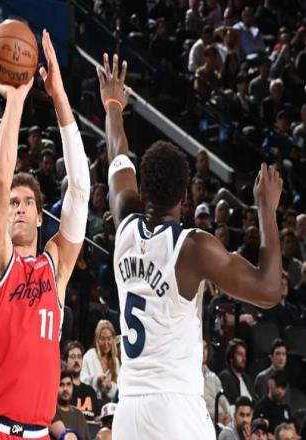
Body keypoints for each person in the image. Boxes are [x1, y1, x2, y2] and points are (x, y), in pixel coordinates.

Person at [96, 52, 283, 439]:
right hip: (175, 408)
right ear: (185, 196)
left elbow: (117, 154)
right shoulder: (192, 248)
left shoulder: (124, 223)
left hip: (129, 408)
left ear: (142, 189)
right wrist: (266, 211)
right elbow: (268, 290)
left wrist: (113, 105)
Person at [0, 30, 90, 439]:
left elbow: (80, 190)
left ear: (40, 218)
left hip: (39, 432)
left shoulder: (55, 268)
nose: (18, 207)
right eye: (12, 204)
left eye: (27, 203)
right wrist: (16, 100)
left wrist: (59, 96)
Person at [81, 320, 120, 400]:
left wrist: (110, 387)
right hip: (91, 402)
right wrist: (96, 381)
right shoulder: (89, 356)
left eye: (109, 339)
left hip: (110, 404)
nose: (106, 343)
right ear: (97, 339)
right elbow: (82, 380)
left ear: (113, 339)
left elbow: (119, 389)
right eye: (102, 339)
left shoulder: (115, 361)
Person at [49, 370, 91, 440]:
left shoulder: (79, 414)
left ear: (72, 387)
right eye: (61, 385)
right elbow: (66, 436)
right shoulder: (51, 411)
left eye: (68, 384)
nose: (65, 389)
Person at [64, 341, 98, 420]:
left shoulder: (90, 391)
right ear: (66, 361)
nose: (76, 360)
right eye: (72, 357)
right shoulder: (63, 390)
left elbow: (96, 419)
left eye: (79, 357)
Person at [219, 338, 256, 406]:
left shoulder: (247, 378)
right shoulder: (225, 377)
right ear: (231, 358)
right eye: (240, 354)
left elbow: (254, 399)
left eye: (244, 355)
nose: (244, 358)